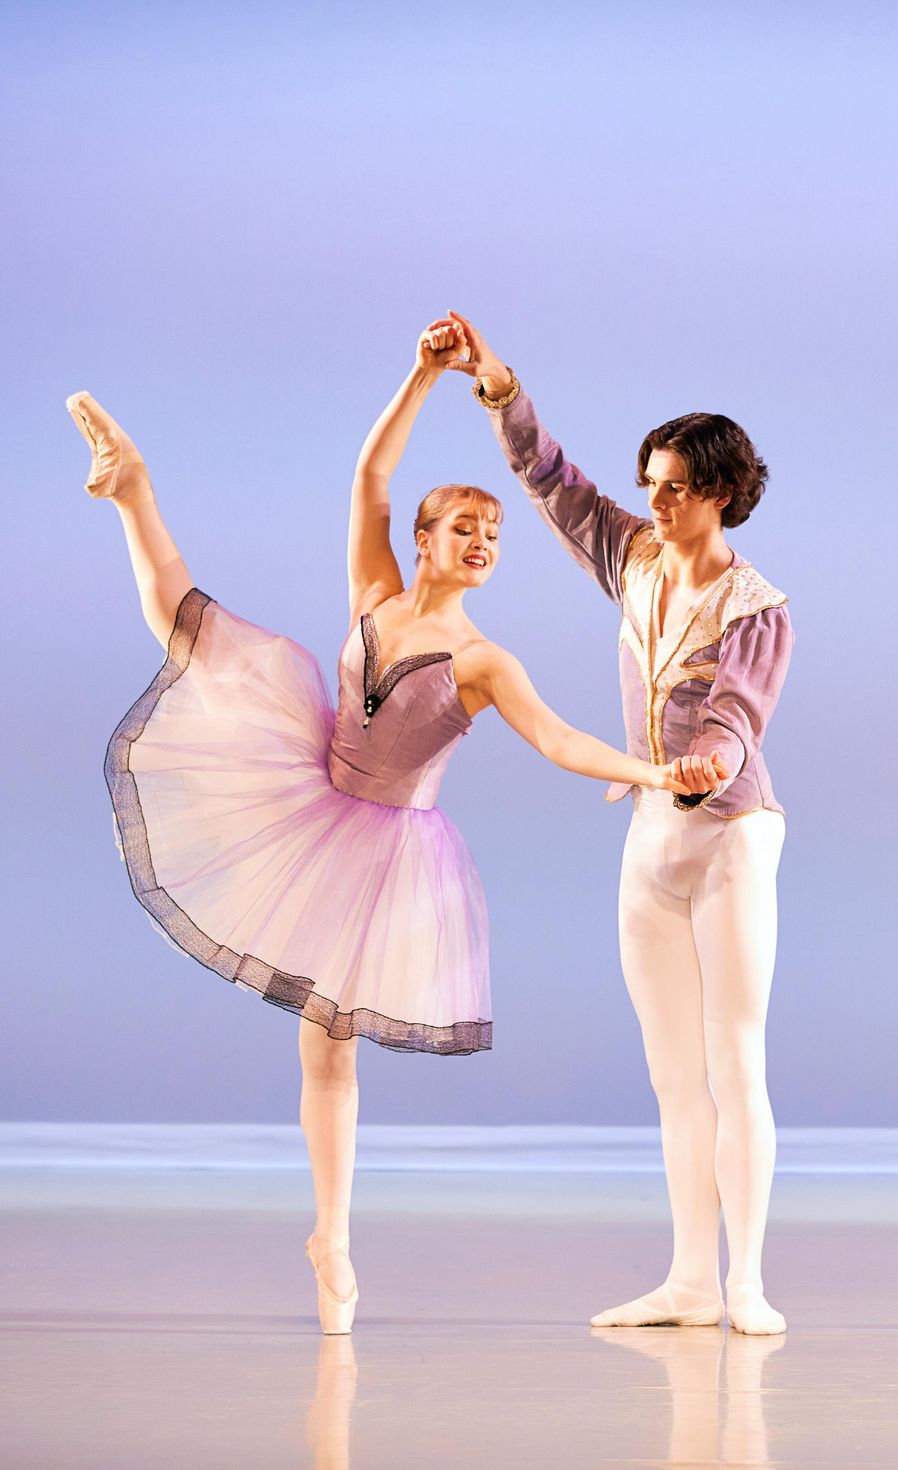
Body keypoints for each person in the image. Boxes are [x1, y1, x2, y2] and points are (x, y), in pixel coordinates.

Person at [65, 322, 710, 1337]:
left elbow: (558, 739)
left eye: (492, 536)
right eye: (463, 528)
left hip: (384, 850)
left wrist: (650, 771)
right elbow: (371, 468)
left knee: (330, 1048)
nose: (481, 544)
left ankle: (332, 1237)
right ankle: (132, 486)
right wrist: (420, 374)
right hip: (305, 786)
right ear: (422, 540)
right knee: (193, 631)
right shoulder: (373, 591)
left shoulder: (482, 662)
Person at [439, 310, 794, 1336]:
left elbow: (735, 717)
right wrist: (495, 382)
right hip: (650, 835)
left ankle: (745, 1282)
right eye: (649, 482)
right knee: (670, 1070)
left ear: (719, 494)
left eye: (674, 486)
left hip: (730, 836)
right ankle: (688, 1278)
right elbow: (551, 481)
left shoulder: (755, 606)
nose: (653, 499)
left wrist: (702, 768)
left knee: (735, 1058)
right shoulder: (633, 556)